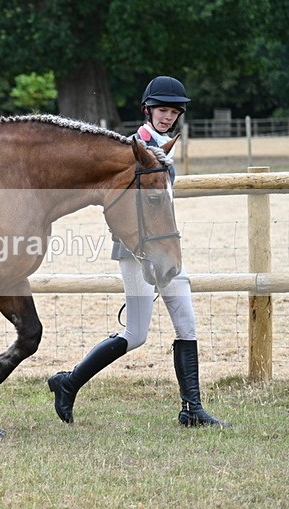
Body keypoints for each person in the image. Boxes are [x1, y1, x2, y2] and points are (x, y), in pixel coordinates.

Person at [47, 76, 227, 427]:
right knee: (136, 334)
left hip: (165, 250)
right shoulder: (131, 147)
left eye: (174, 112)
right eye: (162, 110)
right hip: (135, 253)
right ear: (148, 110)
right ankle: (68, 383)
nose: (168, 117)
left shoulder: (164, 147)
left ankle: (192, 409)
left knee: (186, 322)